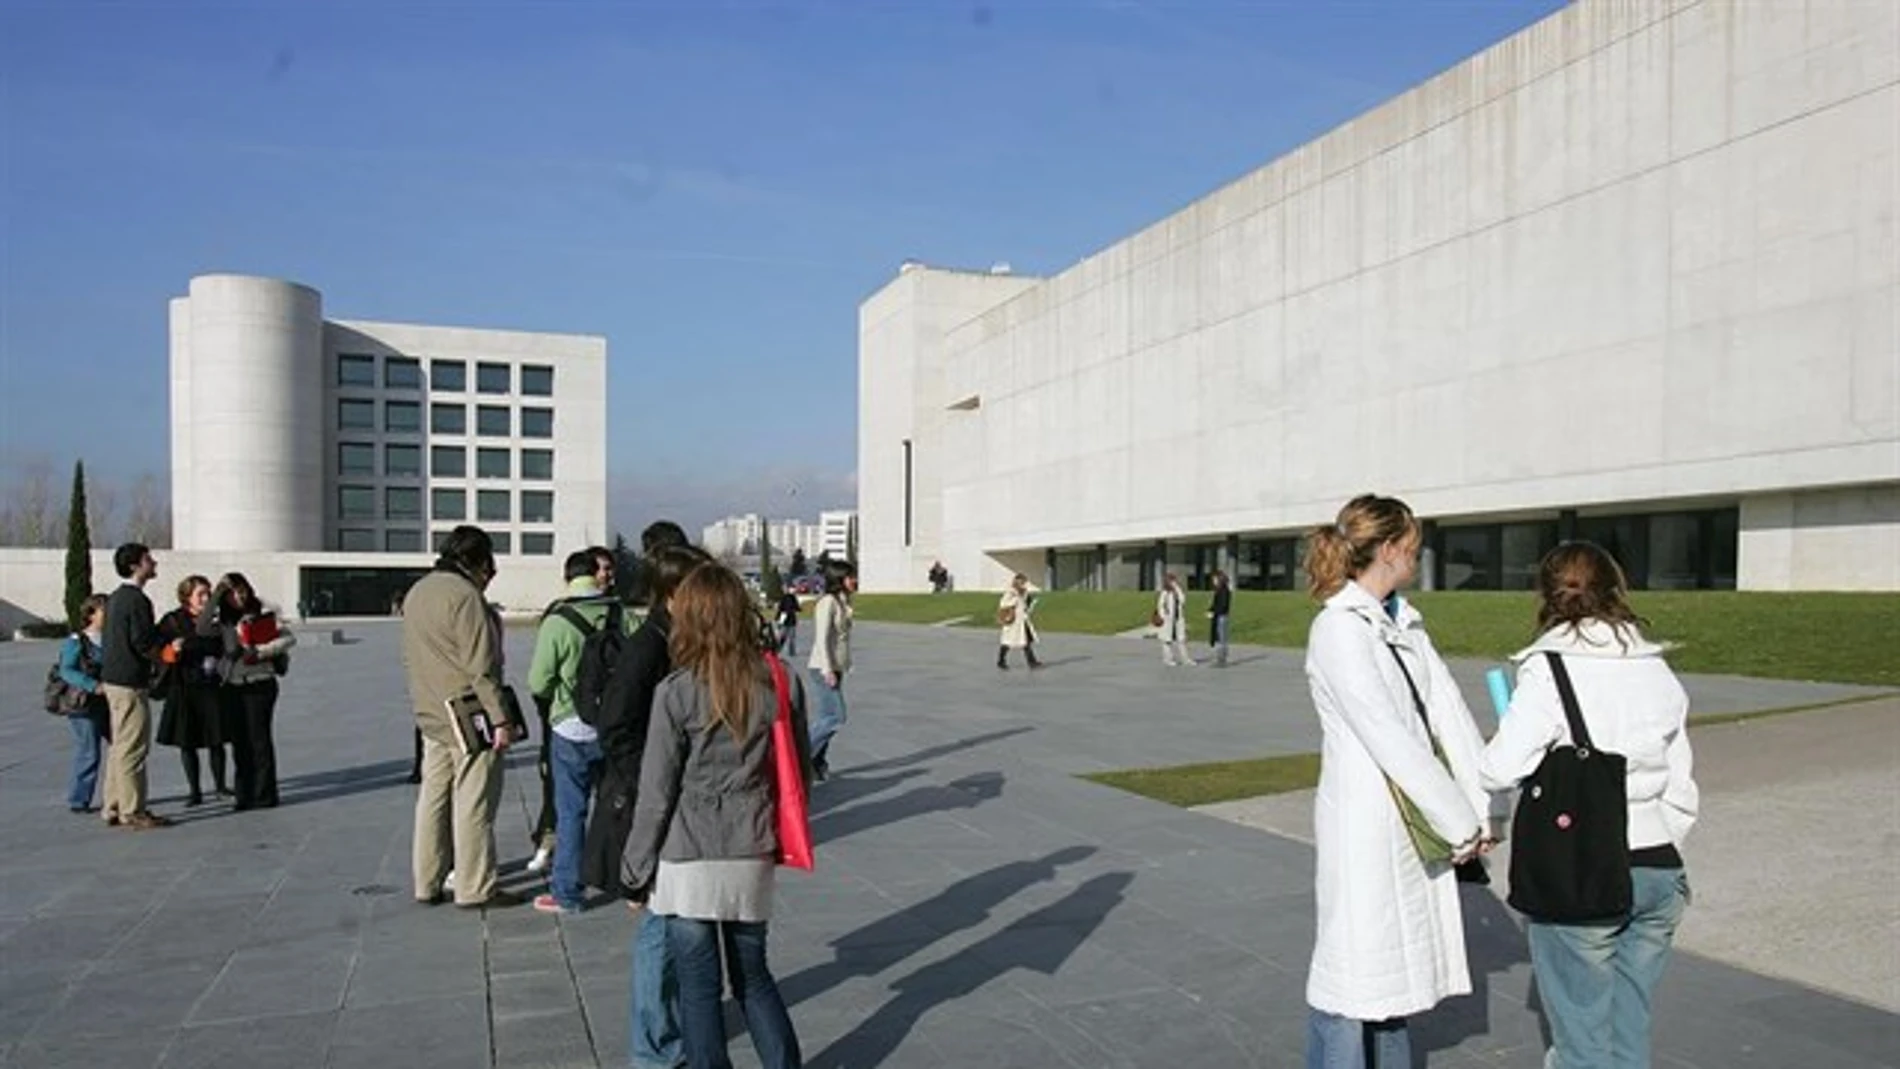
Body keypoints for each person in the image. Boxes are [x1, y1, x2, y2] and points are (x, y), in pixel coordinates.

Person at [1479, 542, 1698, 1069]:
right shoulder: (1654, 666)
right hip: (1658, 865)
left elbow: (1499, 768)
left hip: (1582, 869)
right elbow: (1681, 782)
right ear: (1614, 588)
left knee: (1582, 1044)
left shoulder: (1549, 668)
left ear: (1547, 594)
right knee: (1628, 1029)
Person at [1301, 494, 1499, 1068]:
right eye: (1412, 545)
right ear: (1388, 549)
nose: (1418, 555)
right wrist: (1458, 822)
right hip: (1367, 825)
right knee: (1352, 980)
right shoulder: (1339, 629)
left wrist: (1483, 809)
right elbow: (1387, 735)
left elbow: (1448, 715)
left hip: (1412, 822)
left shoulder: (1403, 622)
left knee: (1393, 987)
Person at [621, 563, 810, 1069]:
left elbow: (656, 793)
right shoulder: (779, 680)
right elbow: (798, 773)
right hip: (751, 845)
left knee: (698, 987)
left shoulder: (676, 691)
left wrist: (635, 871)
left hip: (688, 853)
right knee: (755, 978)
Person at [589, 542, 708, 1069]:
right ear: (672, 592)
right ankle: (655, 1046)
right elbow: (615, 725)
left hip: (672, 800)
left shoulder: (678, 637)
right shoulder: (648, 646)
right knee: (662, 922)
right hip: (650, 802)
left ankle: (666, 1030)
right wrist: (656, 777)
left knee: (674, 919)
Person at [403, 525, 522, 909]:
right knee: (474, 802)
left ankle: (427, 880)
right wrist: (501, 719)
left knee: (433, 798)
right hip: (469, 714)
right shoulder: (465, 597)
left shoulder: (418, 591)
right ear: (477, 561)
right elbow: (480, 667)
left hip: (431, 711)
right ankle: (475, 886)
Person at [527, 549, 624, 914]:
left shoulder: (557, 621)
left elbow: (538, 681)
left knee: (570, 812)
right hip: (611, 724)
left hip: (570, 725)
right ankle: (624, 877)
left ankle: (568, 892)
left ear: (569, 578)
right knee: (615, 803)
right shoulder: (621, 614)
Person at [99, 542, 174, 829]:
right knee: (133, 748)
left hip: (114, 679)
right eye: (148, 559)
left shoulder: (115, 598)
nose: (153, 563)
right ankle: (132, 810)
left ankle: (114, 805)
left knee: (119, 746)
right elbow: (142, 641)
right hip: (130, 681)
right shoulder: (136, 600)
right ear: (134, 566)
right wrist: (164, 654)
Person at [211, 572, 297, 810]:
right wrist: (215, 595)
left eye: (241, 591)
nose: (238, 597)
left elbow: (288, 639)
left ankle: (264, 794)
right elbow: (201, 629)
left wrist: (260, 651)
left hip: (260, 682)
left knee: (259, 739)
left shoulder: (263, 612)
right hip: (233, 685)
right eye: (231, 593)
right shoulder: (222, 620)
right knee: (240, 742)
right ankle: (244, 794)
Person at [155, 575, 230, 807]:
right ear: (187, 597)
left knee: (216, 739)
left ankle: (220, 786)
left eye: (208, 593)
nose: (206, 598)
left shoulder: (216, 621)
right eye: (201, 594)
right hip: (183, 687)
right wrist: (172, 650)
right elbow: (158, 650)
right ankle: (194, 791)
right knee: (187, 741)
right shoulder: (173, 621)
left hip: (211, 685)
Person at [56, 594, 112, 814]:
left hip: (108, 700)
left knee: (121, 745)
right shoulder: (77, 641)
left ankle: (116, 793)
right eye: (104, 610)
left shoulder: (111, 637)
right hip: (84, 703)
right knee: (89, 751)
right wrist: (92, 685)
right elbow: (66, 670)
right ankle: (79, 799)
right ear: (91, 614)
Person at [805, 557, 855, 782]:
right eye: (850, 577)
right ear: (839, 579)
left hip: (836, 666)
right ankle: (801, 755)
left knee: (827, 716)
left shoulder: (842, 601)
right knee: (836, 716)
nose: (854, 581)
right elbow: (822, 638)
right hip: (823, 667)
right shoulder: (827, 602)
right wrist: (827, 669)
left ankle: (816, 763)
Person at [995, 573, 1042, 670]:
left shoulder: (1023, 592)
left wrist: (1029, 602)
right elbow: (1003, 604)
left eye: (1024, 582)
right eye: (1021, 582)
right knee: (1007, 641)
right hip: (1013, 621)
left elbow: (1025, 604)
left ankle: (1032, 662)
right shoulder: (1010, 592)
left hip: (1022, 621)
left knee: (1026, 641)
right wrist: (1015, 601)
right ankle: (1001, 661)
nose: (1023, 584)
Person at [1154, 572, 1195, 667]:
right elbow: (1160, 605)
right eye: (1172, 581)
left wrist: (1177, 589)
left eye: (1174, 580)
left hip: (1178, 618)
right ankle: (1168, 659)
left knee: (1181, 639)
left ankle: (1185, 659)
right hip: (1168, 619)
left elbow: (1183, 600)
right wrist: (1164, 615)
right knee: (1167, 640)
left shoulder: (1177, 591)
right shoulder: (1165, 592)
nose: (1174, 582)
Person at [1207, 570, 1233, 667]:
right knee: (1220, 638)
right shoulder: (1218, 590)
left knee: (1222, 639)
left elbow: (1223, 605)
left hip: (1222, 616)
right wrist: (1210, 609)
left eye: (1215, 579)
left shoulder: (1224, 590)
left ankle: (1222, 660)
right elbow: (1215, 603)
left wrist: (1214, 612)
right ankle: (1220, 658)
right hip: (1219, 616)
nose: (1213, 581)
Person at [774, 588, 801, 658]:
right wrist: (778, 618)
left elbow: (797, 607)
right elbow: (780, 608)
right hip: (785, 618)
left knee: (790, 637)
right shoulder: (785, 598)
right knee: (784, 636)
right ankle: (778, 650)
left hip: (790, 619)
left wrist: (798, 609)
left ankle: (791, 651)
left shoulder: (793, 598)